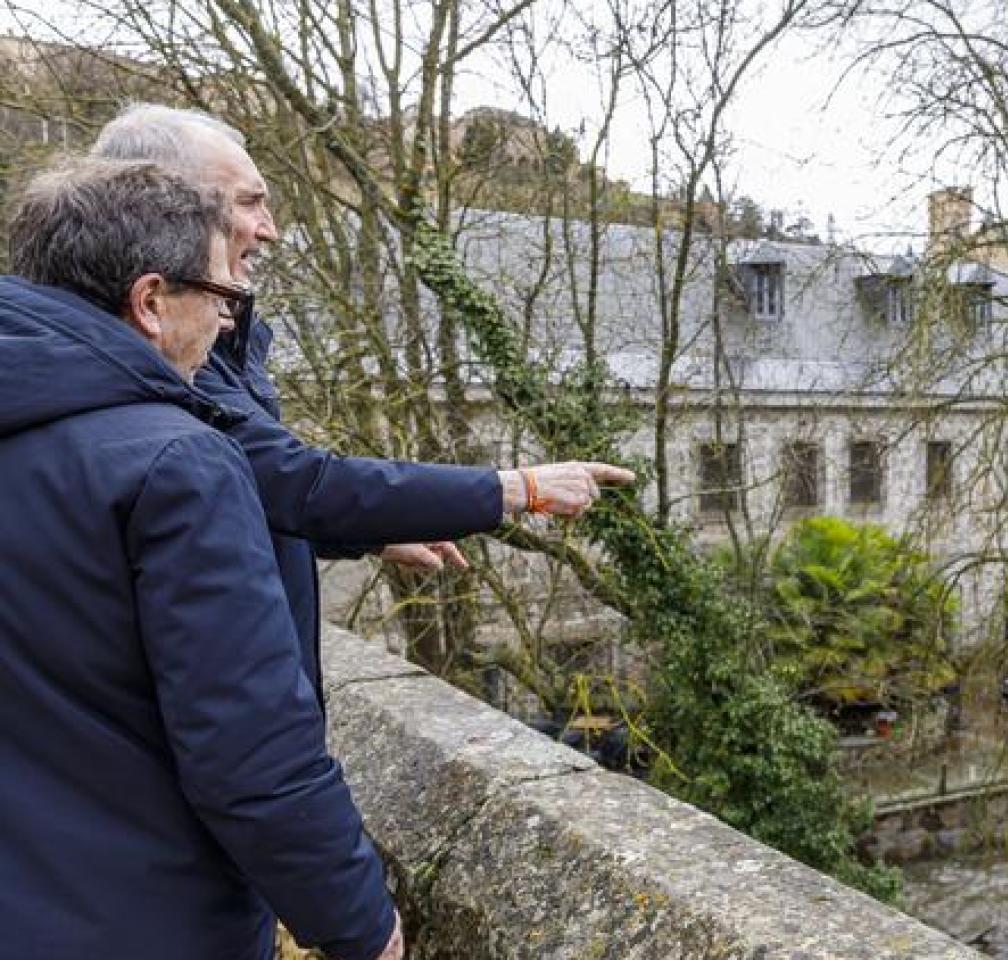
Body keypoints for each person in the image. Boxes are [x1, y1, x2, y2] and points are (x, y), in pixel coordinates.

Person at [91, 104, 635, 699]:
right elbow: (294, 482)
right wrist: (517, 488)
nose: (271, 229)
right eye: (249, 203)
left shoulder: (202, 342)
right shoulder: (166, 356)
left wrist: (368, 535)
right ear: (168, 207)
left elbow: (249, 494)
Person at [0, 158, 401, 959]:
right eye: (222, 298)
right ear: (150, 302)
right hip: (144, 918)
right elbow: (251, 754)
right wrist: (361, 922)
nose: (226, 323)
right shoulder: (178, 463)